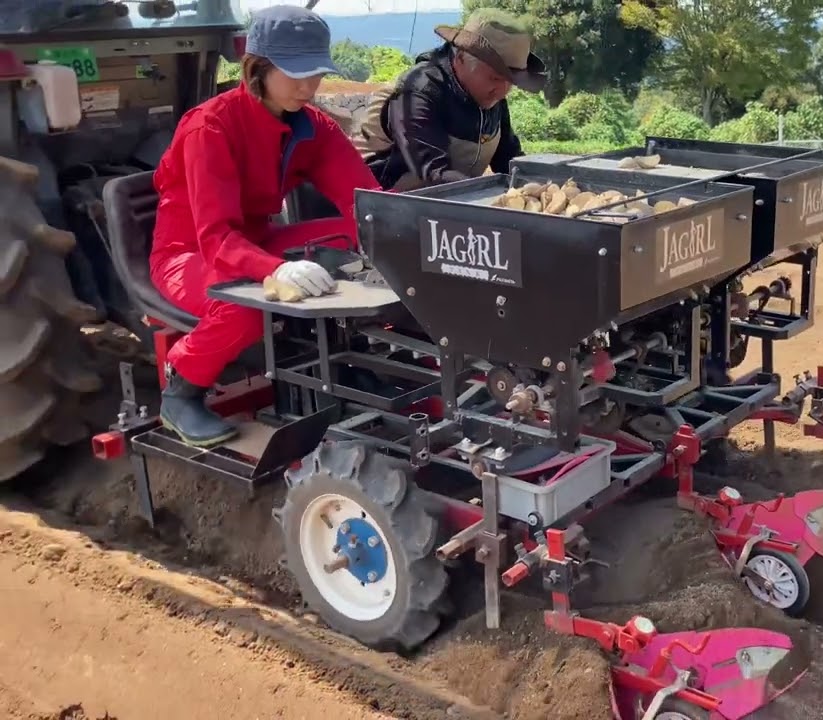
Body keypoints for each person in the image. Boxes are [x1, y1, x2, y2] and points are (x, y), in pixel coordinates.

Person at [149, 4, 382, 447]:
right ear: (257, 68)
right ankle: (180, 390)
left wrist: (410, 233)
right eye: (294, 74)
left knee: (357, 234)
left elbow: (365, 201)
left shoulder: (311, 125)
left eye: (315, 74)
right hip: (190, 252)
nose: (308, 87)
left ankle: (352, 366)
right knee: (250, 306)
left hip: (257, 240)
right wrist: (272, 270)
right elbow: (215, 237)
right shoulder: (209, 128)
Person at [355, 9, 548, 191]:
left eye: (510, 82)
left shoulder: (493, 96)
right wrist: (489, 198)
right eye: (495, 78)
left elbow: (508, 160)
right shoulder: (419, 91)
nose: (503, 91)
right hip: (383, 204)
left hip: (452, 200)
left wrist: (543, 185)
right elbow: (435, 172)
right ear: (461, 58)